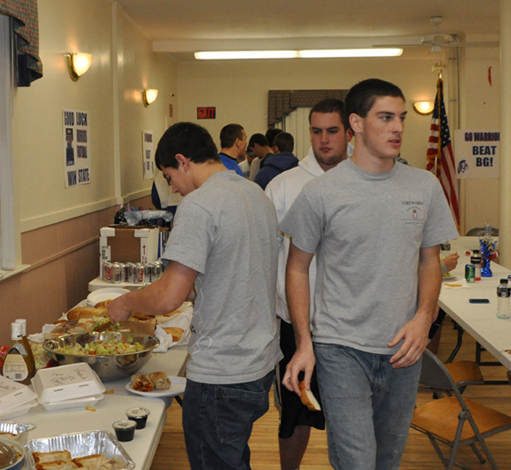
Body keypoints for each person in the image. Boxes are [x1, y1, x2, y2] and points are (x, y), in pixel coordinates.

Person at [280, 79, 459, 470]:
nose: (397, 127)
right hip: (341, 348)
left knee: (387, 461)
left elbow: (430, 262)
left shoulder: (424, 186)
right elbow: (296, 267)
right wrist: (304, 342)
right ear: (356, 124)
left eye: (401, 118)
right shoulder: (321, 193)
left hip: (403, 350)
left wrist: (423, 320)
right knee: (357, 462)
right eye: (385, 117)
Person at [108, 122, 281, 470]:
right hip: (259, 362)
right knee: (233, 457)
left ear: (183, 160)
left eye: (170, 177)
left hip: (222, 370)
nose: (174, 188)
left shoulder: (200, 205)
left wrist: (125, 302)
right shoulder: (256, 195)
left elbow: (170, 296)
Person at [264, 98, 351, 470]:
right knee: (295, 416)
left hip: (350, 325)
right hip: (298, 324)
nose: (324, 139)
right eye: (316, 131)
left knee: (350, 418)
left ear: (350, 132)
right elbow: (267, 257)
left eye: (332, 131)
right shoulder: (284, 186)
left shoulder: (364, 182)